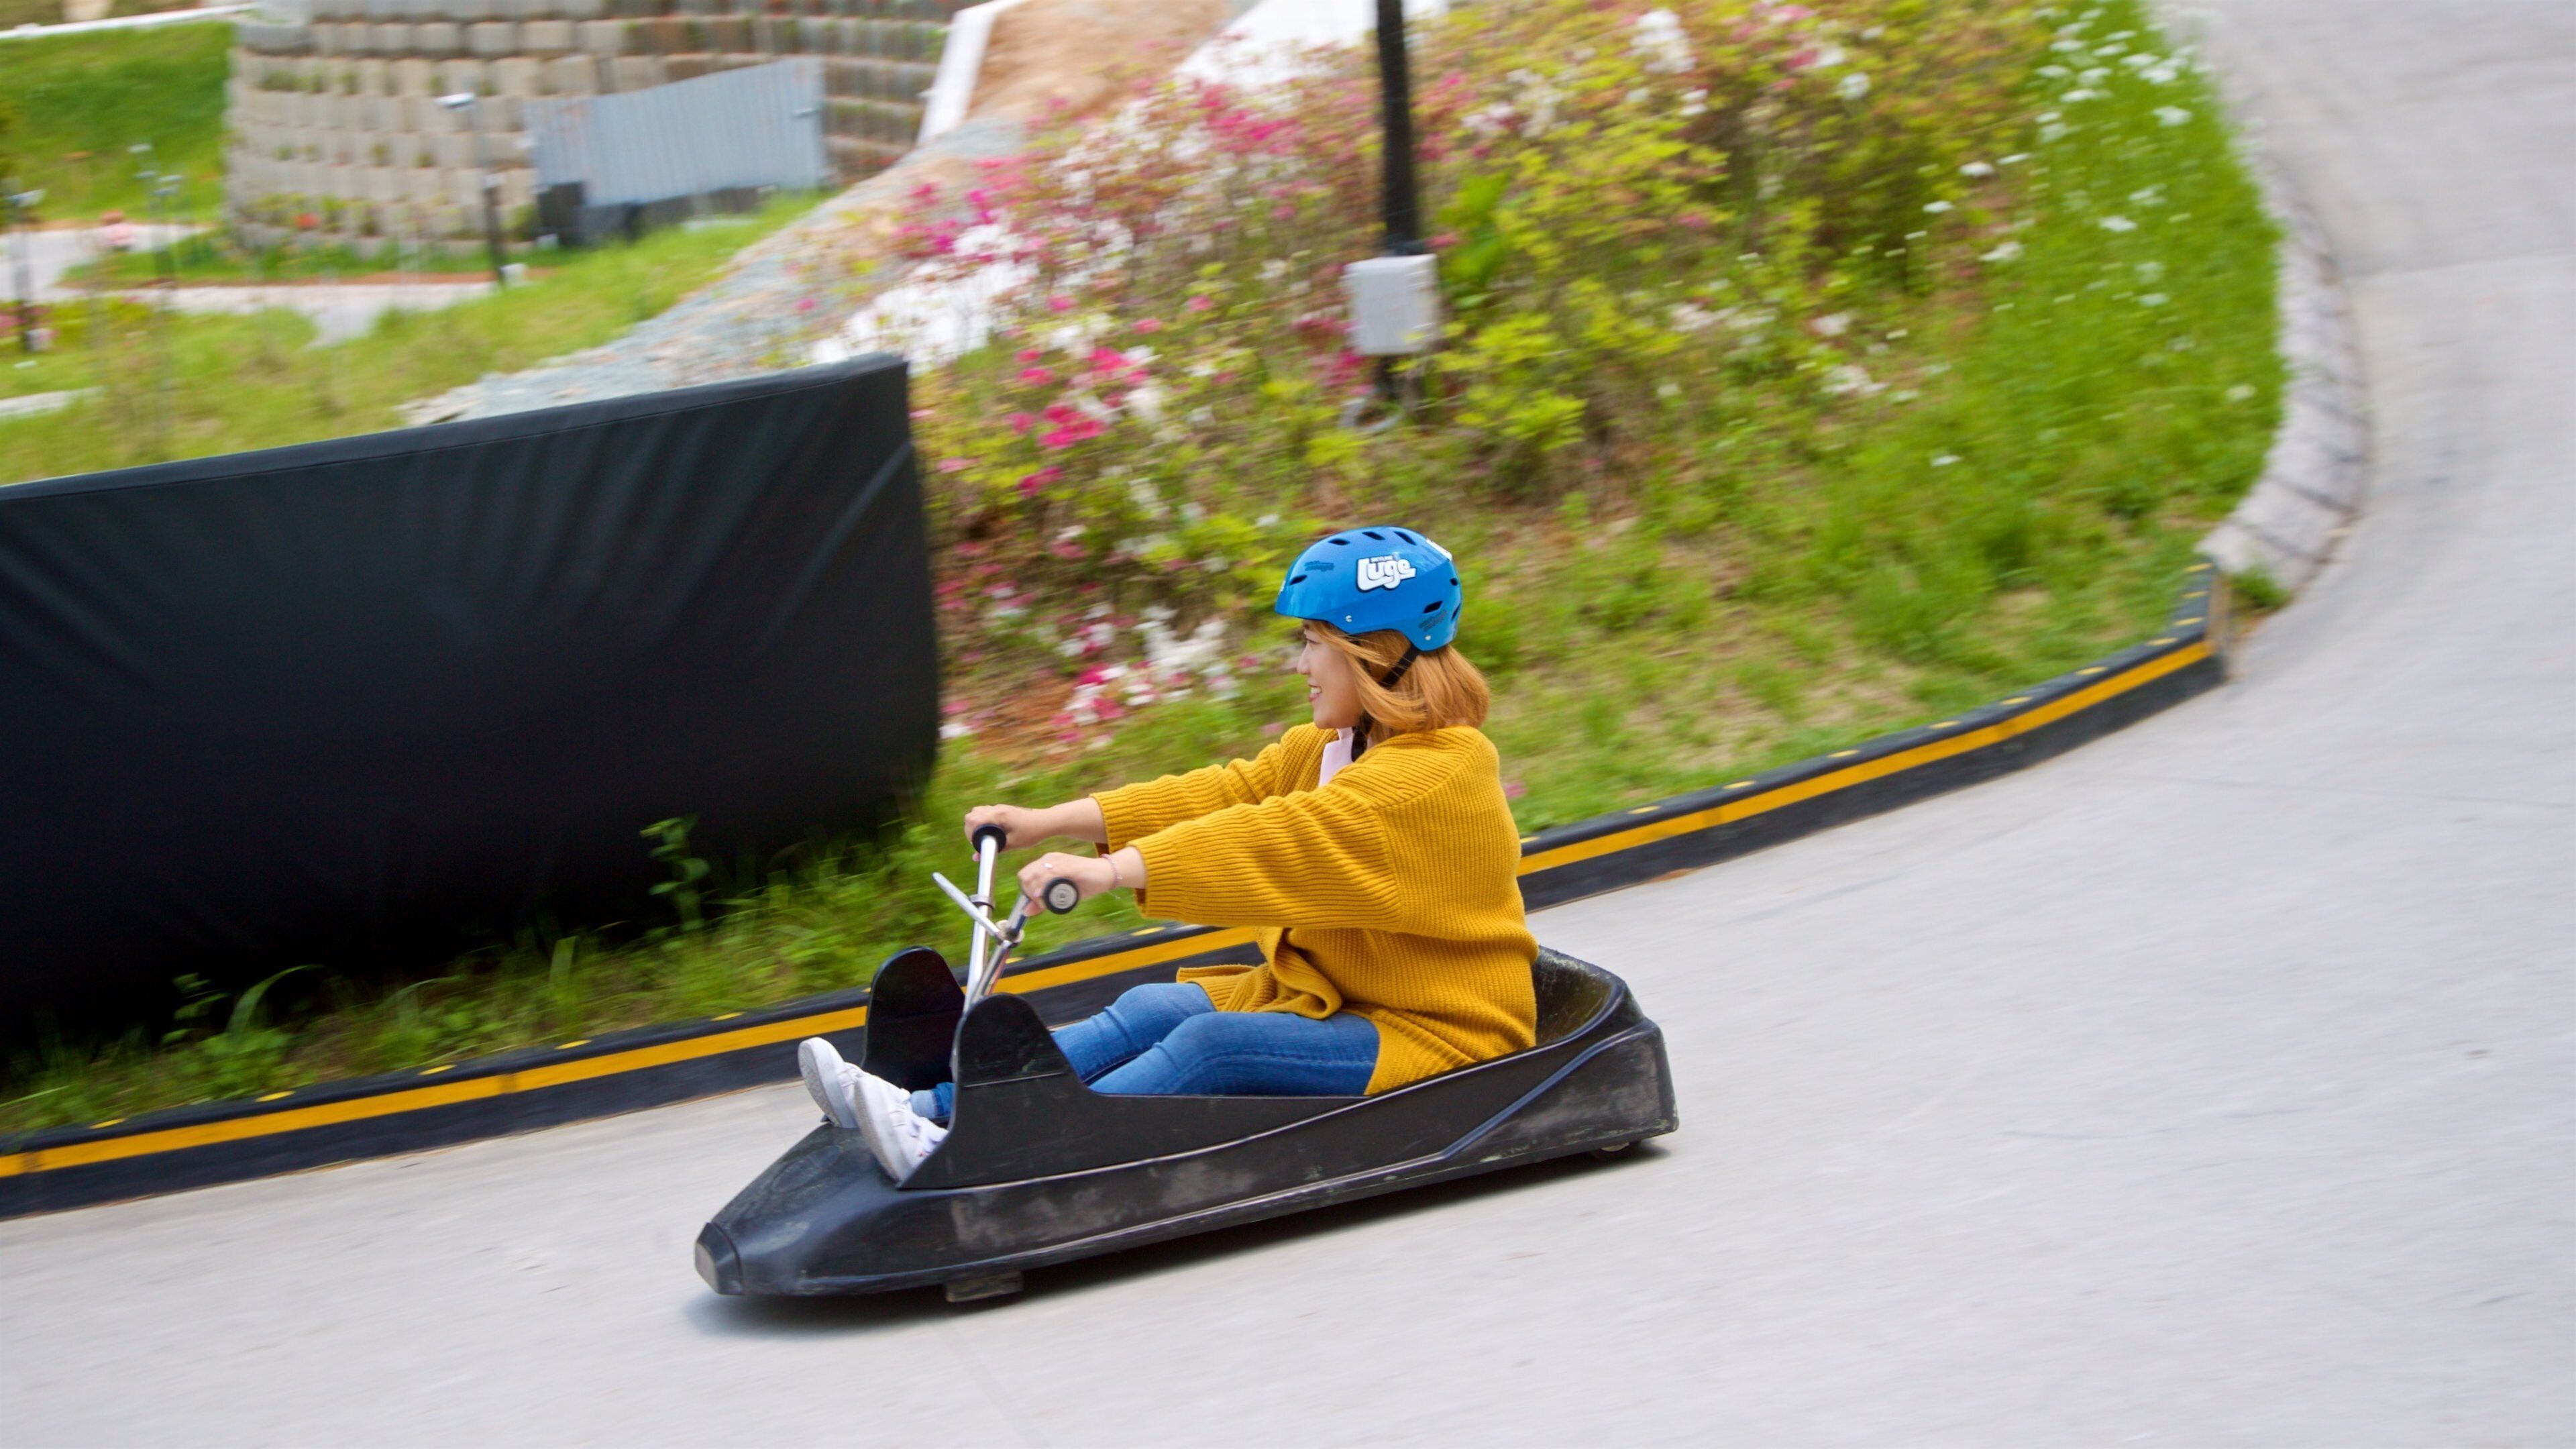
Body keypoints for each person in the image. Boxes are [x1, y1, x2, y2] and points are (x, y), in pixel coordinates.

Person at [800, 526, 1538, 1182]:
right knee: (1152, 1007)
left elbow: (1273, 839)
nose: (1301, 665)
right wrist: (1048, 822)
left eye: (1313, 643)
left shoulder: (1429, 781)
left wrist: (1111, 871)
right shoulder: (1341, 747)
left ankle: (1000, 1150)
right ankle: (929, 1110)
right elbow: (1225, 796)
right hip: (1341, 995)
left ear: (1374, 653)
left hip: (1434, 1028)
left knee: (1214, 1047)